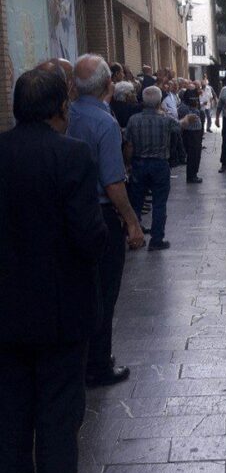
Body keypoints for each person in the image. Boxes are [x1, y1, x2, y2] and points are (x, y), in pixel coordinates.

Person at [0, 69, 109, 473]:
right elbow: (88, 234)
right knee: (59, 412)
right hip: (61, 311)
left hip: (7, 311)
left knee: (10, 409)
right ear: (59, 107)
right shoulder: (71, 155)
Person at [68, 54, 145, 387]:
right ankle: (99, 363)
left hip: (71, 213)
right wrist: (132, 221)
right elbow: (112, 181)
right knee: (105, 290)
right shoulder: (104, 122)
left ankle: (84, 357)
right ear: (107, 84)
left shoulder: (67, 115)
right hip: (100, 215)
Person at [125, 86, 189, 249]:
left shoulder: (133, 120)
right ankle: (156, 239)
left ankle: (134, 235)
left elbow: (129, 145)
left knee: (136, 202)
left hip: (139, 164)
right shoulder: (165, 119)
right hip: (159, 164)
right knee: (159, 203)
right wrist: (187, 120)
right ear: (159, 102)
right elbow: (179, 126)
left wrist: (128, 163)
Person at [178, 88, 204, 184]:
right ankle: (191, 176)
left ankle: (194, 175)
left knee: (196, 155)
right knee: (193, 155)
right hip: (190, 133)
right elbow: (190, 116)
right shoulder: (184, 107)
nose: (196, 100)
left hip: (196, 132)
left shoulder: (190, 105)